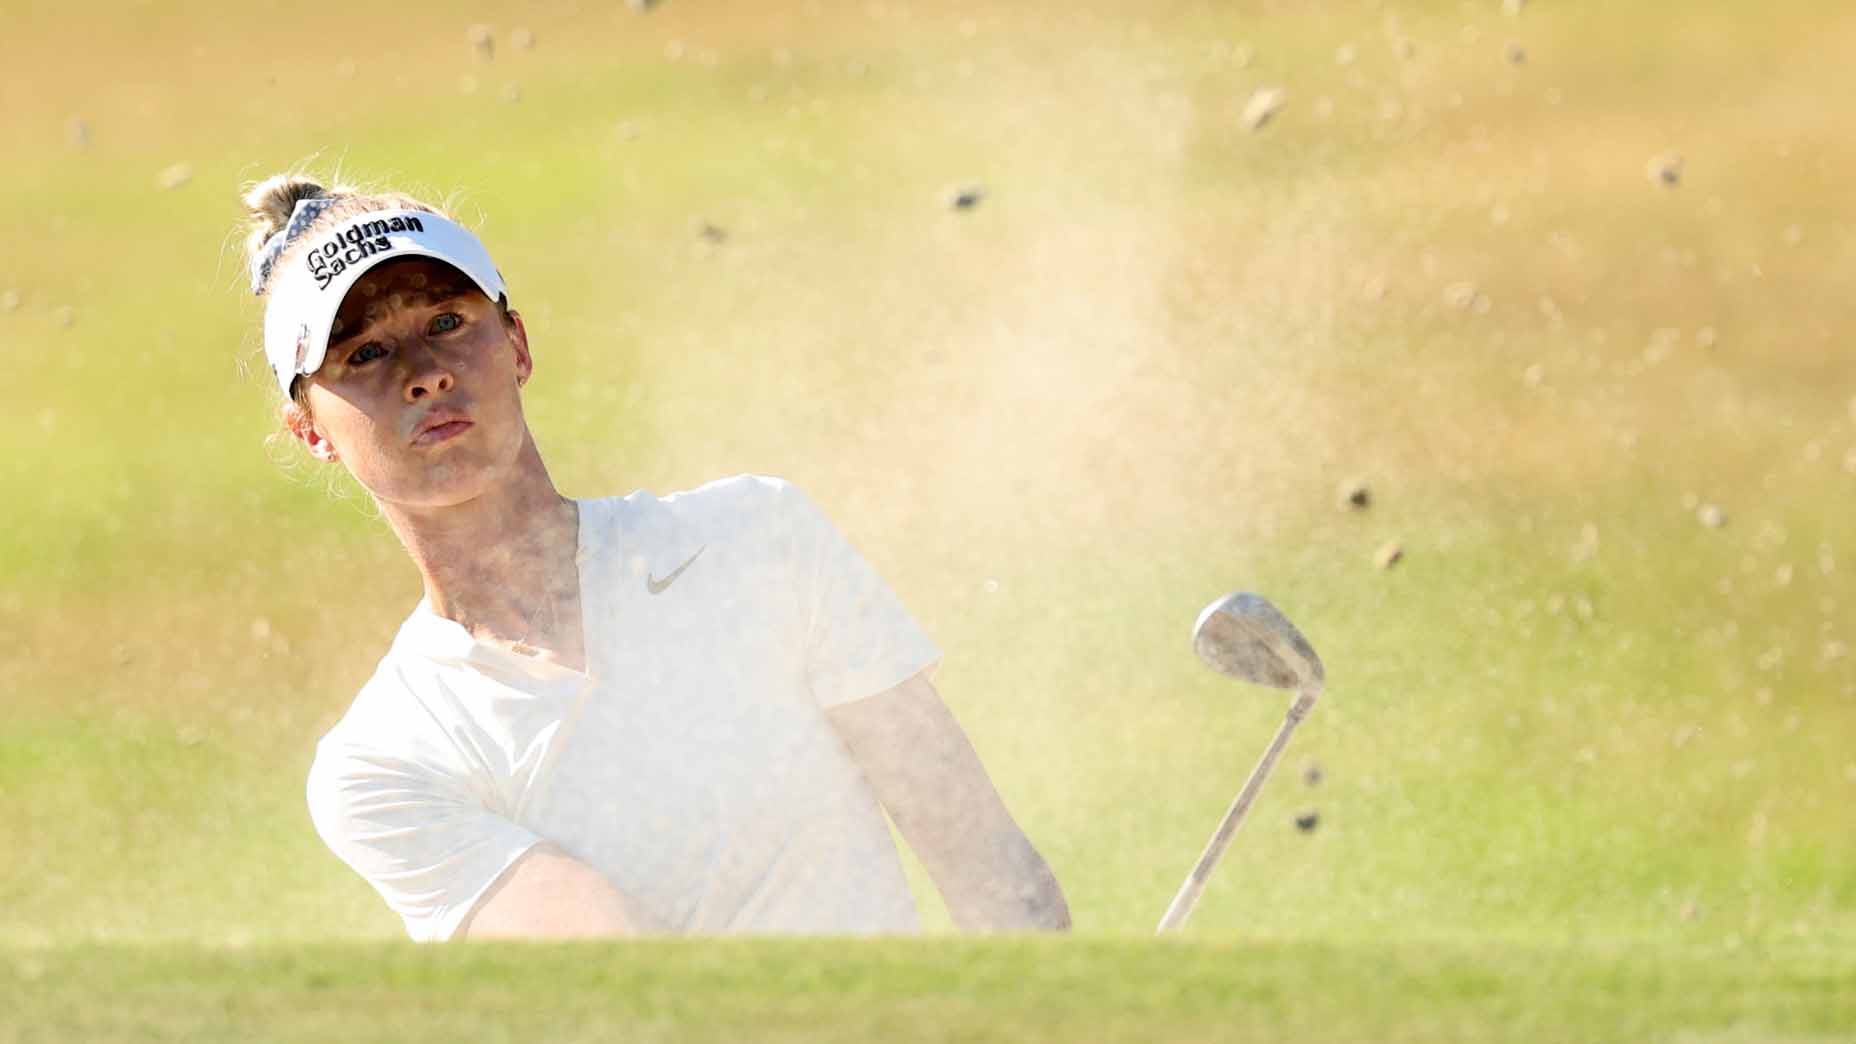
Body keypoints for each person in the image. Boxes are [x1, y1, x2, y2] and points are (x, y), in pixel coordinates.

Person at [239, 173, 1069, 941]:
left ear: (517, 344)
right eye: (365, 354)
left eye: (448, 324)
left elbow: (990, 867)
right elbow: (640, 984)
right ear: (310, 431)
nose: (425, 375)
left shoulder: (756, 540)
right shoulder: (386, 763)